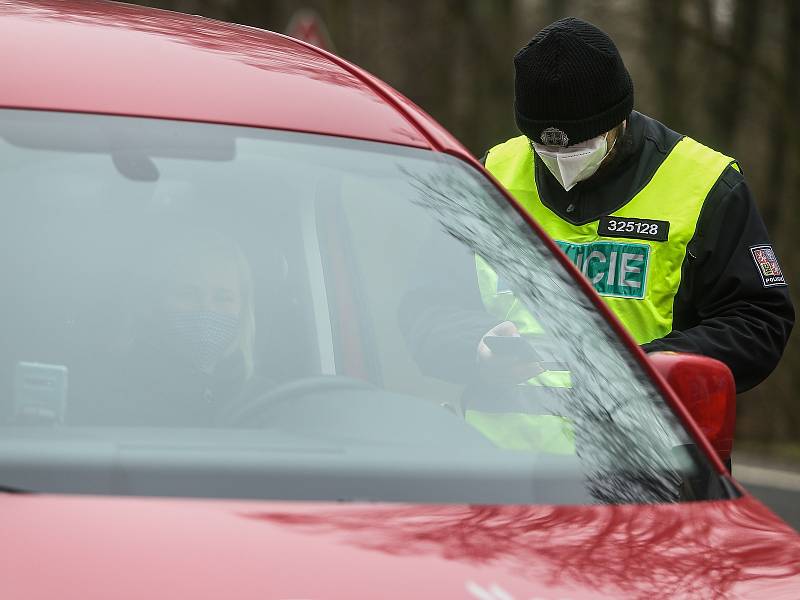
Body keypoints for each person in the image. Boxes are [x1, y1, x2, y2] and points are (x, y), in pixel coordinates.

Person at [477, 17, 793, 393]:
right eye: (545, 150)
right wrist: (468, 345)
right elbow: (429, 299)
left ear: (618, 120)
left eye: (579, 149)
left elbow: (759, 322)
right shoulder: (491, 174)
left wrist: (647, 367)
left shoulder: (706, 185)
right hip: (504, 447)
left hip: (645, 444)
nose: (562, 163)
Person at [95, 227, 266, 427]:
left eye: (223, 298)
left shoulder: (269, 402)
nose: (207, 308)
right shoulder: (111, 393)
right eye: (188, 293)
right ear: (154, 303)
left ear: (243, 309)